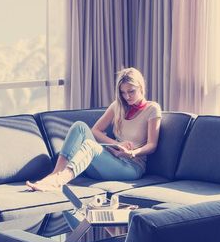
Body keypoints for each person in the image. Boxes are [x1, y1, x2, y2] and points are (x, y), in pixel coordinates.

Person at [26, 67, 162, 192]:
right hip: (108, 161)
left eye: (131, 91)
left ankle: (58, 182)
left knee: (90, 146)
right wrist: (117, 144)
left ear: (141, 87)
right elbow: (95, 131)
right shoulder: (117, 106)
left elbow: (152, 145)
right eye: (123, 92)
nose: (127, 97)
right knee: (79, 127)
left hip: (132, 167)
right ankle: (55, 174)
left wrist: (132, 153)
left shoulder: (152, 109)